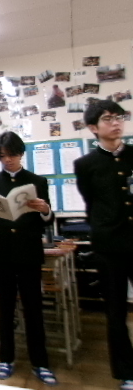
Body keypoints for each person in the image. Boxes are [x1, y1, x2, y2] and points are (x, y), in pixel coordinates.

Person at [0, 131, 57, 386]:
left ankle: (40, 362)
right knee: (5, 307)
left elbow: (48, 220)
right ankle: (6, 358)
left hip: (29, 251)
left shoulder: (37, 181)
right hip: (2, 252)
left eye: (11, 155)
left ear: (21, 153)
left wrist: (45, 210)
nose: (7, 160)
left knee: (34, 308)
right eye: (2, 156)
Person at [74, 101, 133, 390]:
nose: (116, 122)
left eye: (118, 117)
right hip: (109, 244)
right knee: (115, 310)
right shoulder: (85, 164)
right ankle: (126, 371)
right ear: (93, 128)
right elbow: (91, 202)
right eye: (108, 119)